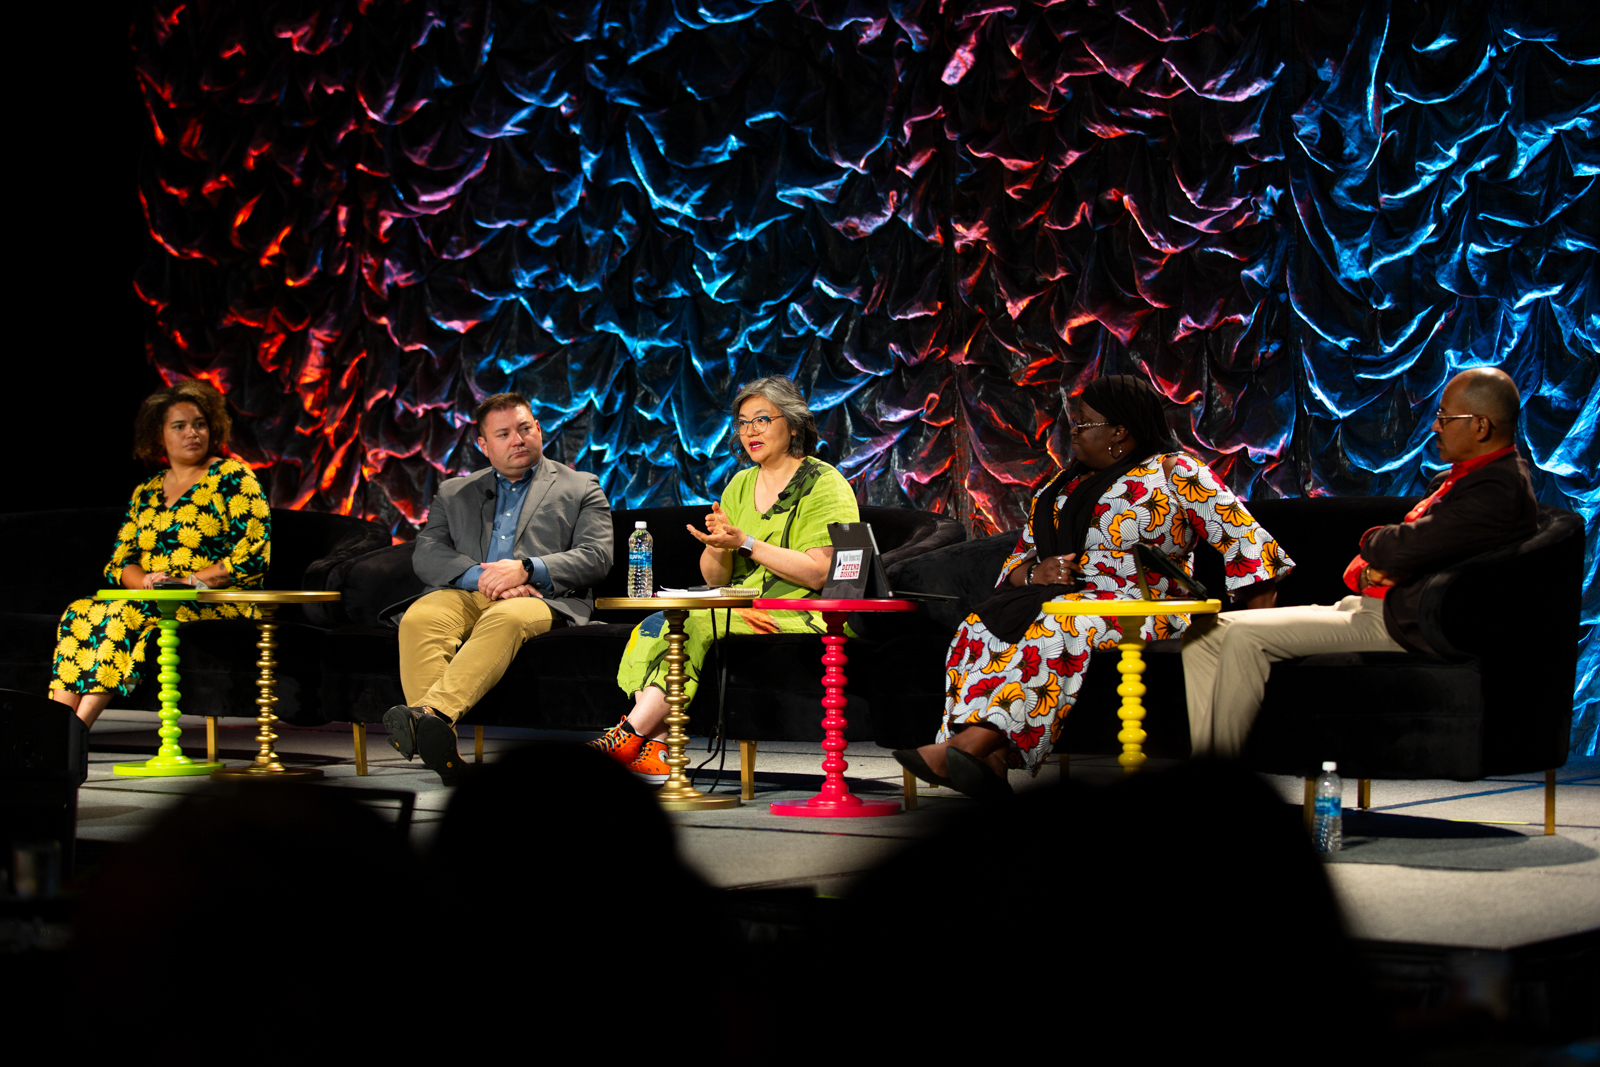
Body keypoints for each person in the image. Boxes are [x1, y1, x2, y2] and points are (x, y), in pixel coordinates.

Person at [894, 374, 1294, 799]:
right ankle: (989, 763)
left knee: (1060, 626)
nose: (1073, 433)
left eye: (1083, 424)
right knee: (977, 626)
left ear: (1119, 430)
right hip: (1065, 600)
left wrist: (1255, 631)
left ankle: (969, 746)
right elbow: (1016, 564)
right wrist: (1036, 573)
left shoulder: (1173, 471)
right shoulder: (1059, 487)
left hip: (1149, 608)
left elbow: (1250, 545)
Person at [1183, 367, 1538, 757]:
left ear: (1481, 426)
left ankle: (1224, 783)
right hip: (1371, 607)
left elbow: (1400, 548)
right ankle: (1206, 772)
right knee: (1204, 634)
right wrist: (1386, 556)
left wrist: (1374, 541)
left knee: (1242, 636)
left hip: (1400, 624)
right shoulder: (1468, 479)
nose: (1435, 427)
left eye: (1445, 417)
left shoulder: (1498, 487)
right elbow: (1415, 547)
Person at [590, 377, 860, 782]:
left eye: (762, 420)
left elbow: (821, 572)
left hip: (805, 613)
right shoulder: (740, 484)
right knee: (658, 622)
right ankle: (658, 745)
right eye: (743, 422)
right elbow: (715, 575)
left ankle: (628, 735)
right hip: (743, 605)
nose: (750, 431)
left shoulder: (824, 483)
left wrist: (747, 541)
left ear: (793, 424)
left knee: (697, 622)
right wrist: (719, 545)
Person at [384, 392, 612, 783]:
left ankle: (430, 715)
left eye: (525, 429)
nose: (518, 439)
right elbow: (427, 553)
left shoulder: (580, 486)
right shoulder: (453, 492)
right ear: (483, 445)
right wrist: (486, 578)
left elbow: (596, 555)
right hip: (466, 592)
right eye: (503, 434)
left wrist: (526, 570)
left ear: (539, 429)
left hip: (542, 597)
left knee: (506, 618)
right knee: (420, 617)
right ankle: (445, 754)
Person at [49, 380, 271, 729]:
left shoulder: (232, 477)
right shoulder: (148, 490)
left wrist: (185, 581)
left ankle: (74, 734)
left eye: (199, 423)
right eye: (179, 426)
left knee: (123, 612)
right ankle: (56, 728)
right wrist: (147, 583)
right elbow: (120, 561)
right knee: (80, 610)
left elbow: (252, 556)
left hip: (214, 598)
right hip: (153, 598)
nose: (192, 433)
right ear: (159, 435)